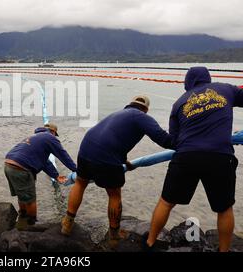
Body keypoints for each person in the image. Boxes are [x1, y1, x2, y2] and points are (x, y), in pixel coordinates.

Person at [143, 66, 243, 252]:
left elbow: (175, 141)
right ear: (208, 79)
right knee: (224, 209)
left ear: (188, 83)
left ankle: (150, 243)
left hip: (186, 156)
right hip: (220, 156)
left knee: (166, 202)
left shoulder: (179, 103)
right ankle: (223, 250)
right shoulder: (226, 89)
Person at [61, 95, 174, 247]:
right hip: (106, 157)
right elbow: (164, 139)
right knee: (114, 194)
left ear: (129, 104)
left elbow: (112, 140)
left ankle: (67, 224)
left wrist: (126, 162)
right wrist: (187, 143)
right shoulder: (141, 116)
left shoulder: (117, 114)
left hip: (85, 150)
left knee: (80, 183)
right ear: (146, 109)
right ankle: (114, 236)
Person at [4, 123, 77, 230]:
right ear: (53, 132)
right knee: (31, 200)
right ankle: (31, 225)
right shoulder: (50, 137)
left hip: (8, 165)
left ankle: (22, 216)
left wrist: (56, 176)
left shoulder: (35, 137)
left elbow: (45, 162)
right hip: (21, 168)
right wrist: (76, 169)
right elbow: (63, 155)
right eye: (55, 135)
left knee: (22, 195)